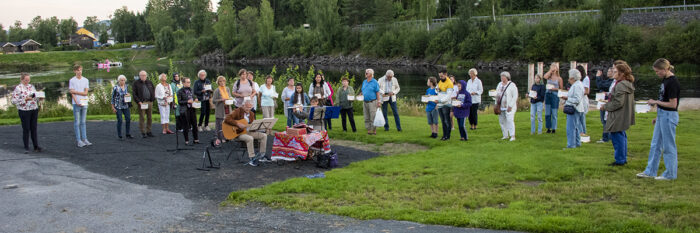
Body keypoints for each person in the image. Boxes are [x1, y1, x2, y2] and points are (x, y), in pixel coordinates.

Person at [637, 58, 681, 180]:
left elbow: (673, 105)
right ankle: (650, 171)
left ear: (666, 69)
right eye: (656, 71)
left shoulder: (673, 82)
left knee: (668, 146)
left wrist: (656, 102)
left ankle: (670, 174)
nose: (657, 74)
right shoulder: (665, 80)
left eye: (658, 71)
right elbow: (664, 100)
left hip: (669, 116)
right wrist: (658, 116)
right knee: (655, 144)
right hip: (662, 115)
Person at [601, 61, 635, 166]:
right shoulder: (626, 84)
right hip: (622, 114)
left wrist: (605, 106)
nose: (613, 72)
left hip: (618, 115)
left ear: (621, 73)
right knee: (621, 135)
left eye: (615, 71)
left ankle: (620, 160)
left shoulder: (621, 85)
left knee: (617, 137)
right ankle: (622, 158)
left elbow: (618, 102)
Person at [224, 101, 268, 166]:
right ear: (243, 106)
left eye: (250, 107)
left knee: (264, 135)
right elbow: (227, 119)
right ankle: (252, 158)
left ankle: (261, 155)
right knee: (250, 138)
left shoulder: (252, 114)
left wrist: (258, 127)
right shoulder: (237, 111)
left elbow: (252, 126)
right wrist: (237, 123)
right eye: (247, 107)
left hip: (248, 132)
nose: (248, 109)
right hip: (238, 133)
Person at [11, 72, 42, 153]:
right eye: (25, 80)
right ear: (21, 79)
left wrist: (39, 98)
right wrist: (25, 100)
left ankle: (36, 146)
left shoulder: (31, 86)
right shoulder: (18, 88)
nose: (27, 81)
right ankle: (26, 147)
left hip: (33, 108)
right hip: (24, 110)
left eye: (28, 80)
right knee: (26, 128)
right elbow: (14, 101)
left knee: (34, 128)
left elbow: (35, 96)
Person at [562, 69, 585, 149]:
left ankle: (571, 145)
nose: (568, 80)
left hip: (574, 108)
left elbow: (577, 99)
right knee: (576, 127)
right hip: (577, 108)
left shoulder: (577, 86)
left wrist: (567, 98)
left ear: (573, 78)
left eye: (569, 78)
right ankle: (577, 143)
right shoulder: (578, 84)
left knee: (571, 128)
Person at [69, 65, 91, 147]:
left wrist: (75, 92)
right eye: (78, 70)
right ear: (75, 71)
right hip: (76, 103)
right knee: (77, 122)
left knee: (83, 122)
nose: (79, 72)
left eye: (81, 70)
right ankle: (79, 140)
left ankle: (85, 138)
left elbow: (85, 93)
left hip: (84, 102)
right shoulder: (72, 80)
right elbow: (72, 93)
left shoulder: (85, 80)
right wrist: (76, 101)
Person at [133, 70, 156, 138]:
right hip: (142, 103)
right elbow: (134, 94)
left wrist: (153, 98)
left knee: (150, 117)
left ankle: (149, 131)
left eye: (145, 75)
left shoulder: (149, 82)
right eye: (142, 75)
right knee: (142, 117)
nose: (143, 76)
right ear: (139, 76)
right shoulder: (136, 83)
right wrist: (138, 102)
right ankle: (143, 132)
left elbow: (153, 90)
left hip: (149, 102)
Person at [595, 68, 615, 143]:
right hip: (602, 101)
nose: (608, 72)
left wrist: (598, 77)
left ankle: (606, 138)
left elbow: (600, 85)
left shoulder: (612, 82)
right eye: (608, 71)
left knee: (605, 120)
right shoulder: (608, 81)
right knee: (604, 120)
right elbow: (601, 85)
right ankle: (608, 136)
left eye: (610, 71)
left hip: (606, 102)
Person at [497, 71, 518, 141]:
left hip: (509, 106)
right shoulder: (499, 84)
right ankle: (505, 135)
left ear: (507, 77)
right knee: (502, 121)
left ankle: (512, 135)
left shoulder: (512, 85)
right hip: (501, 106)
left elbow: (515, 96)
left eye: (503, 76)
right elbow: (497, 93)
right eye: (501, 76)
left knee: (509, 120)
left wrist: (510, 105)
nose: (502, 78)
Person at [177, 77, 199, 145]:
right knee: (186, 125)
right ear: (183, 83)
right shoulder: (180, 91)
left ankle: (196, 139)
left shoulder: (191, 90)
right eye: (187, 82)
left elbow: (193, 97)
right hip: (184, 110)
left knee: (194, 124)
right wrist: (187, 101)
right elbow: (179, 101)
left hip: (192, 109)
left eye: (189, 82)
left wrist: (196, 99)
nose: (189, 83)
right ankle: (186, 140)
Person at [111, 75, 133, 140]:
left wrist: (129, 95)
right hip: (118, 106)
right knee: (120, 120)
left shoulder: (126, 86)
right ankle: (119, 135)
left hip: (125, 105)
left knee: (128, 119)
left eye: (124, 80)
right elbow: (113, 98)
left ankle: (128, 133)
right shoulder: (116, 88)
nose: (123, 81)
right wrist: (113, 107)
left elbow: (128, 94)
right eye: (121, 80)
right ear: (119, 81)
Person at [212, 76, 233, 146]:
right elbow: (213, 101)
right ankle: (220, 138)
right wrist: (221, 100)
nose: (222, 82)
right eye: (220, 81)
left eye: (223, 81)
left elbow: (229, 96)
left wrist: (230, 99)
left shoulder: (227, 89)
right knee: (220, 124)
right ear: (218, 82)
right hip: (220, 109)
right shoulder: (217, 90)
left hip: (227, 108)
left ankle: (227, 136)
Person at [544, 62, 564, 133]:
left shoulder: (559, 78)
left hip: (554, 95)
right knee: (547, 112)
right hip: (547, 94)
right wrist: (550, 71)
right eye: (552, 67)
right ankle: (548, 127)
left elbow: (561, 89)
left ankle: (554, 128)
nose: (553, 69)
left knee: (554, 112)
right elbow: (545, 76)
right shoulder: (548, 76)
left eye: (554, 67)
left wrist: (554, 89)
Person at [361, 68, 381, 135]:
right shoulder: (364, 81)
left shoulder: (375, 82)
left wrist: (379, 101)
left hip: (372, 102)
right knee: (366, 117)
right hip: (365, 102)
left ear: (371, 74)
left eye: (367, 73)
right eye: (365, 73)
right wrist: (360, 94)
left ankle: (374, 131)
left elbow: (377, 92)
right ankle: (368, 130)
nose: (365, 74)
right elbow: (363, 90)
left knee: (373, 117)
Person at [436, 71, 454, 140]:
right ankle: (444, 135)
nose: (440, 77)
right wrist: (437, 90)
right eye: (439, 76)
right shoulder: (440, 82)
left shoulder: (449, 83)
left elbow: (448, 96)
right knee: (443, 121)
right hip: (440, 104)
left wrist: (440, 100)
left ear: (445, 74)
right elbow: (437, 90)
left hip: (446, 104)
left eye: (441, 76)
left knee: (447, 121)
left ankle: (448, 136)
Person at [576, 65, 590, 136]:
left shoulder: (586, 79)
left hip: (583, 99)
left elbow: (587, 91)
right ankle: (580, 131)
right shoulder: (578, 80)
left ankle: (583, 132)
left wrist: (578, 92)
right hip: (579, 99)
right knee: (578, 116)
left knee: (582, 117)